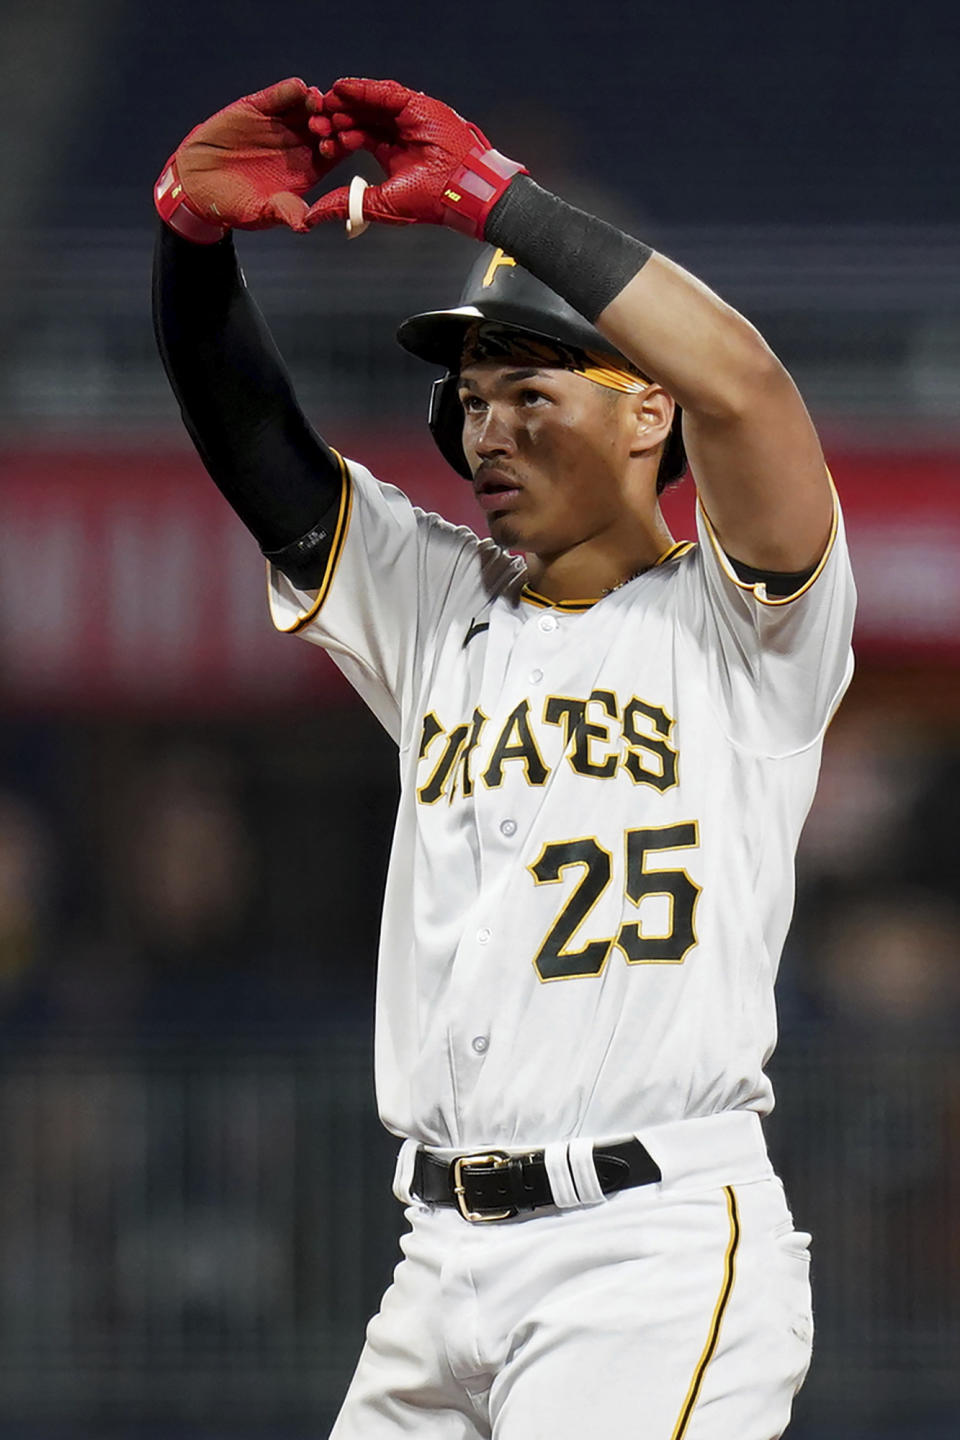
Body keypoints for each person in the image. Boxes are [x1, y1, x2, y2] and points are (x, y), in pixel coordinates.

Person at [153, 75, 856, 1440]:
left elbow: (750, 387)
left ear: (649, 413)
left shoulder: (744, 625)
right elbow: (260, 450)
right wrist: (186, 243)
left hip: (645, 1252)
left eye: (529, 388)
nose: (485, 427)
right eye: (469, 399)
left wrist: (502, 201)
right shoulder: (439, 609)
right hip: (437, 1261)